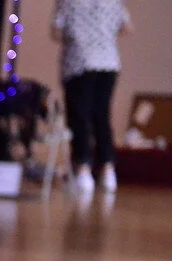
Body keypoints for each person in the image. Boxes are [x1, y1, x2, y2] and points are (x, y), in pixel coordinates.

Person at [51, 0, 132, 195]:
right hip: (108, 61)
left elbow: (56, 32)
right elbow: (127, 27)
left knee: (79, 116)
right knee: (102, 116)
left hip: (79, 62)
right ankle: (107, 169)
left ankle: (83, 169)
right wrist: (103, 34)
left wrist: (80, 35)